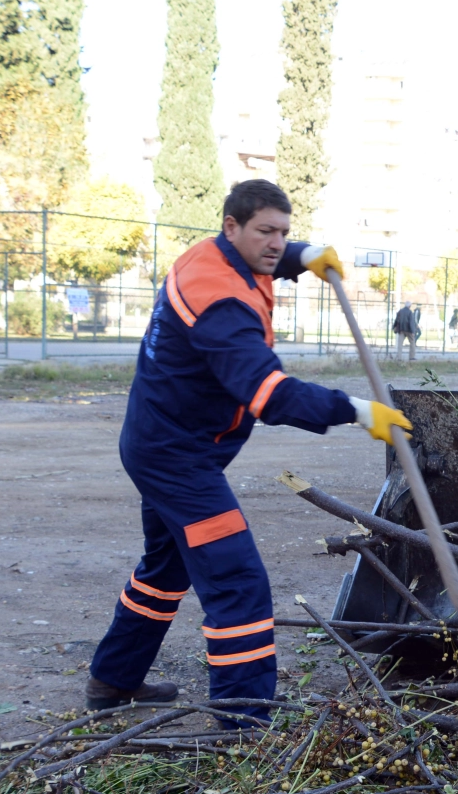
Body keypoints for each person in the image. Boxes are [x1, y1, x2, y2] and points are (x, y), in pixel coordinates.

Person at [87, 180, 412, 723]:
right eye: (267, 231)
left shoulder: (212, 255)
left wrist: (304, 256)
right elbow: (270, 395)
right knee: (237, 579)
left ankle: (112, 680)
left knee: (166, 570)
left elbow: (264, 259)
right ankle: (244, 720)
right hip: (176, 459)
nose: (276, 243)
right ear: (231, 225)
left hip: (166, 443)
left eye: (284, 232)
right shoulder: (222, 305)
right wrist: (356, 411)